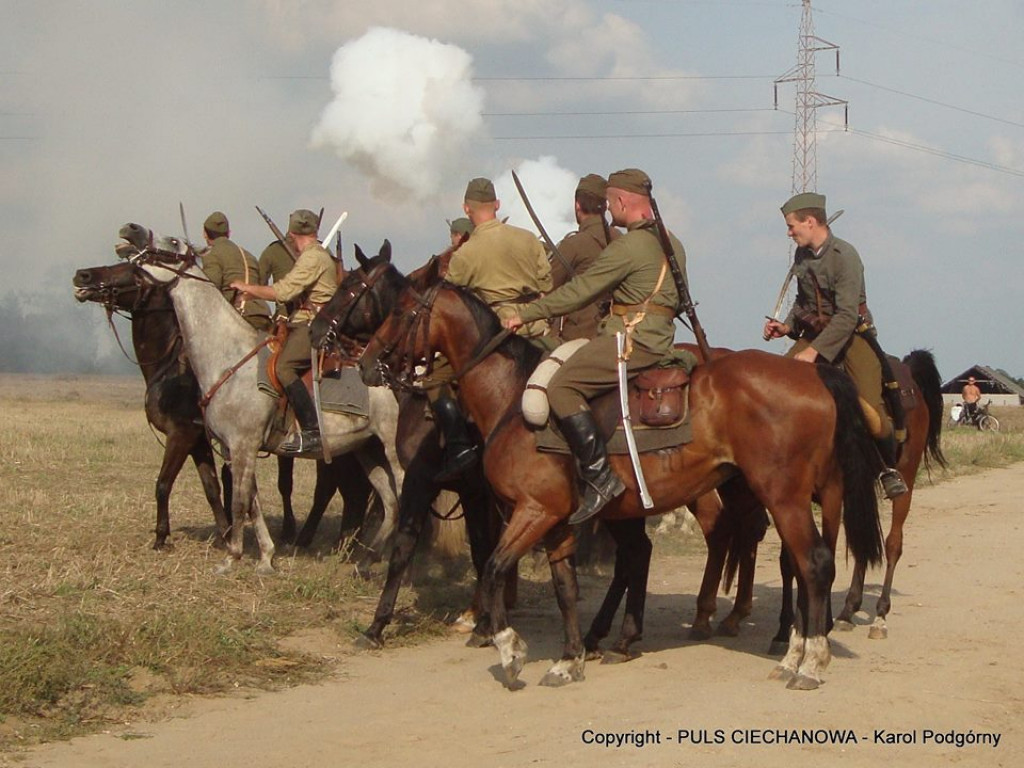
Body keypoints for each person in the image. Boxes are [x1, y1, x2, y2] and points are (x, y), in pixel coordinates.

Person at [503, 168, 693, 525]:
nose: (609, 210)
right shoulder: (673, 241)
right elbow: (679, 300)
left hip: (630, 342)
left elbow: (580, 291)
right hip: (659, 337)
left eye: (610, 202)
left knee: (561, 387)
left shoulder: (629, 246)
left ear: (622, 200)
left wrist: (525, 314)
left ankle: (599, 476)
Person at [762, 192, 908, 499]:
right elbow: (802, 301)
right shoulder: (802, 256)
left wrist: (814, 352)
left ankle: (886, 469)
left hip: (853, 336)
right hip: (813, 335)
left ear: (810, 222)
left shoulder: (845, 256)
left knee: (871, 413)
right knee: (774, 387)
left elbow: (845, 316)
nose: (789, 233)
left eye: (791, 226)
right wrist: (787, 326)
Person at [428, 177, 553, 482]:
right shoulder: (528, 239)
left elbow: (451, 298)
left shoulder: (466, 254)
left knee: (433, 381)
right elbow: (547, 285)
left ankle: (458, 446)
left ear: (466, 209)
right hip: (538, 331)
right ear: (497, 205)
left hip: (493, 338)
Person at [231, 209, 338, 455]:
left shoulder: (312, 258)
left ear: (291, 234)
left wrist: (246, 287)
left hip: (312, 324)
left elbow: (284, 291)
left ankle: (312, 432)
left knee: (283, 367)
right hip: (300, 321)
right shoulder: (314, 255)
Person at [548, 173, 619, 342]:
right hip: (618, 333)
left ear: (577, 205)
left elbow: (548, 289)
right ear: (605, 206)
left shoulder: (572, 245)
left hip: (577, 336)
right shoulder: (622, 240)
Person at [199, 212, 272, 332]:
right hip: (263, 314)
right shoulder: (249, 255)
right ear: (229, 233)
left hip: (237, 317)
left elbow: (211, 290)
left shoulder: (211, 255)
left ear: (205, 234)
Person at [258, 237, 297, 322]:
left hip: (284, 315)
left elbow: (259, 285)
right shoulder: (322, 250)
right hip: (319, 317)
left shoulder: (273, 250)